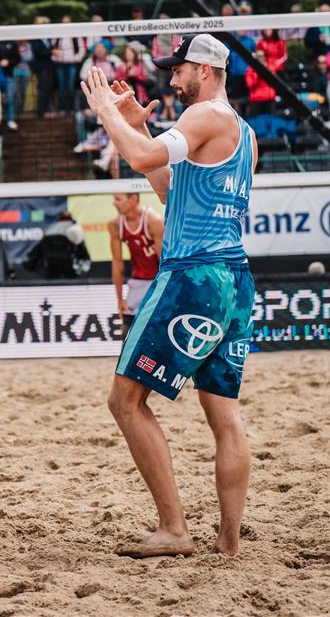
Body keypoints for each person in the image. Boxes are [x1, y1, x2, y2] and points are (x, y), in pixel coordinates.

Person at [81, 33, 257, 558]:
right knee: (224, 416)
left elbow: (140, 160)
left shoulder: (205, 116)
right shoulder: (245, 134)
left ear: (203, 70)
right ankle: (228, 541)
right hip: (234, 278)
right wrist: (136, 126)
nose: (171, 78)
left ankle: (174, 528)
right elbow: (171, 192)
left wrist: (106, 112)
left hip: (193, 275)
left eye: (178, 69)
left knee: (125, 401)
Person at [109, 193, 163, 333]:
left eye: (118, 199)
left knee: (159, 332)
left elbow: (164, 262)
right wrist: (120, 299)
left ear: (133, 199)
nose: (114, 203)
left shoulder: (154, 220)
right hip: (137, 282)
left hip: (157, 281)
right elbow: (117, 263)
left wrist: (167, 292)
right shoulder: (115, 225)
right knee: (128, 332)